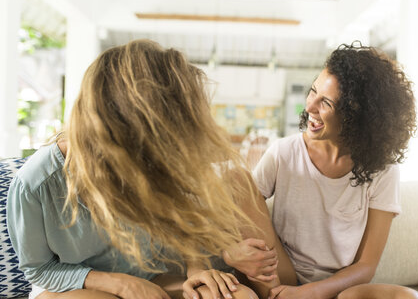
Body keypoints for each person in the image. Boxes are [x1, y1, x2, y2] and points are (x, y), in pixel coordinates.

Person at [7, 39, 296, 299]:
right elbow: (38, 269)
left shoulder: (149, 162)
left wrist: (196, 271)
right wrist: (120, 284)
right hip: (82, 288)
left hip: (156, 277)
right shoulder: (36, 183)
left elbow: (187, 224)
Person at [231, 43, 418, 299]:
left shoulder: (383, 171)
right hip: (280, 278)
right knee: (237, 179)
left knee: (409, 296)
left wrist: (311, 293)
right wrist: (230, 253)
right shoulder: (284, 153)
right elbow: (239, 215)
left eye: (326, 103)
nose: (310, 107)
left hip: (340, 289)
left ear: (356, 116)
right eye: (313, 92)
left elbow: (366, 266)